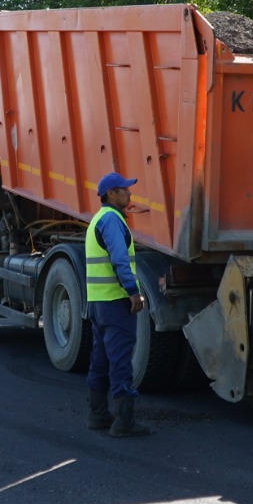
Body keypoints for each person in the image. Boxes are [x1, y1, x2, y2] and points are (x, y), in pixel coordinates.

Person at [85, 171, 151, 437]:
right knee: (121, 360)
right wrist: (133, 292)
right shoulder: (112, 220)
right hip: (115, 303)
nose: (130, 193)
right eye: (124, 189)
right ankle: (124, 422)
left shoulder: (98, 219)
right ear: (111, 193)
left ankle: (98, 415)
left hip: (99, 303)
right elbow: (120, 260)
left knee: (100, 359)